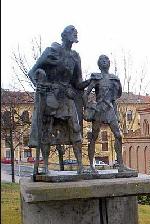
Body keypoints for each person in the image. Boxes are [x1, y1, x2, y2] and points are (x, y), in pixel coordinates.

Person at [28, 25, 89, 174]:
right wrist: (40, 85)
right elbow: (32, 72)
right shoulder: (52, 51)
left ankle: (81, 166)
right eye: (71, 31)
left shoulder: (75, 56)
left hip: (67, 97)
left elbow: (78, 83)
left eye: (76, 32)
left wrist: (92, 81)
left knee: (75, 129)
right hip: (51, 97)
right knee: (47, 130)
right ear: (64, 35)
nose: (75, 33)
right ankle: (46, 167)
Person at [84, 55, 130, 173]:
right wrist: (89, 106)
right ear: (99, 64)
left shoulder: (114, 79)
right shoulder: (96, 78)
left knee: (118, 135)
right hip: (99, 109)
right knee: (93, 137)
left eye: (106, 60)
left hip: (110, 110)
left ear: (109, 63)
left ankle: (121, 164)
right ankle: (91, 165)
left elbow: (115, 97)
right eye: (102, 61)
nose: (104, 62)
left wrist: (117, 114)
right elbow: (86, 94)